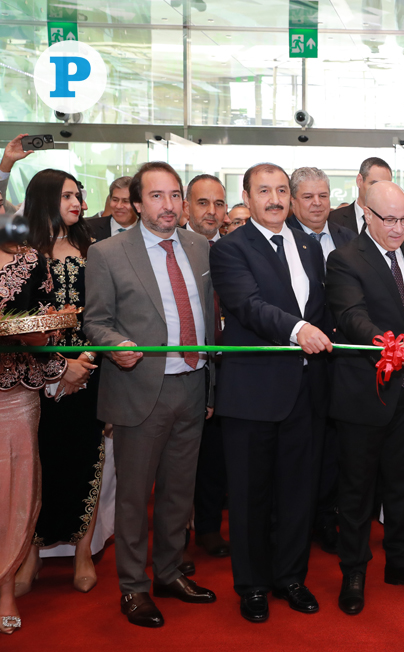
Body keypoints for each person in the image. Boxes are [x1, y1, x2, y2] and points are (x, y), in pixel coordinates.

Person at [84, 161, 218, 628]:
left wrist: (211, 385)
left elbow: (208, 317)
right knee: (134, 496)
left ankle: (168, 572)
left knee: (179, 493)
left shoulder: (199, 247)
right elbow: (95, 321)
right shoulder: (107, 253)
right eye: (157, 196)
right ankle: (133, 588)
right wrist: (115, 344)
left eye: (175, 195)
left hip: (193, 385)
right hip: (140, 389)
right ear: (138, 204)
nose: (169, 205)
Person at [209, 163, 333, 624]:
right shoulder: (230, 248)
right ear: (246, 196)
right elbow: (248, 306)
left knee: (298, 493)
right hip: (253, 392)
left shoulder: (308, 244)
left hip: (305, 391)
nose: (275, 199)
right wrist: (299, 329)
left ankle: (291, 578)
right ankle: (253, 586)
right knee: (249, 497)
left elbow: (322, 308)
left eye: (282, 190)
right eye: (264, 191)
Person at [326, 180, 404, 616]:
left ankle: (400, 561)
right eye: (389, 220)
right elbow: (351, 317)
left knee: (401, 484)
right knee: (357, 491)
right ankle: (354, 571)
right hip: (364, 393)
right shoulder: (344, 259)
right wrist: (392, 348)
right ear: (367, 215)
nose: (398, 228)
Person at [15, 170, 103, 599]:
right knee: (38, 464)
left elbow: (105, 314)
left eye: (78, 195)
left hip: (90, 370)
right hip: (35, 375)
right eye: (67, 195)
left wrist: (85, 361)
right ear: (45, 199)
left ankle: (83, 552)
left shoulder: (94, 250)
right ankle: (29, 554)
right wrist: (57, 364)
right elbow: (15, 323)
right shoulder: (20, 254)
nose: (78, 203)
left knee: (85, 458)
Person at [286, 166, 357, 557]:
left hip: (343, 360)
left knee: (334, 446)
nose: (317, 204)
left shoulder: (348, 237)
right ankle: (294, 523)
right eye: (308, 197)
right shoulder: (282, 238)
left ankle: (327, 519)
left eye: (323, 196)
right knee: (301, 450)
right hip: (298, 361)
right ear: (293, 200)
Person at [0, 237, 69, 635]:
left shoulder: (29, 259)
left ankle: (5, 584)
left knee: (15, 489)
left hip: (14, 391)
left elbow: (47, 327)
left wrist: (37, 335)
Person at [177, 174, 231, 562]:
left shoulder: (232, 251)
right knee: (179, 461)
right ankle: (176, 534)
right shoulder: (172, 249)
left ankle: (209, 527)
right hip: (182, 367)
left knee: (214, 455)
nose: (211, 211)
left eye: (218, 203)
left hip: (225, 367)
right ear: (186, 207)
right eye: (202, 203)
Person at [329, 157, 404, 240]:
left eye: (386, 186)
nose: (381, 191)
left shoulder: (402, 224)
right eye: (374, 184)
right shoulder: (332, 219)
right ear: (359, 181)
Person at [86, 176, 137, 241]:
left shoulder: (146, 230)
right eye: (115, 200)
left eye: (125, 201)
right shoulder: (89, 228)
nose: (118, 206)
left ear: (138, 203)